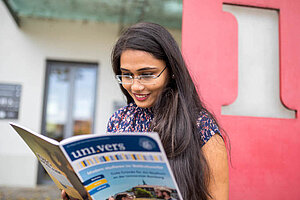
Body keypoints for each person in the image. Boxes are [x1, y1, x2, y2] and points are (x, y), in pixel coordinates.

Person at [62, 22, 229, 200]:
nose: (135, 86)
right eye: (127, 75)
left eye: (147, 74)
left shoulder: (202, 127)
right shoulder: (119, 120)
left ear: (171, 71)